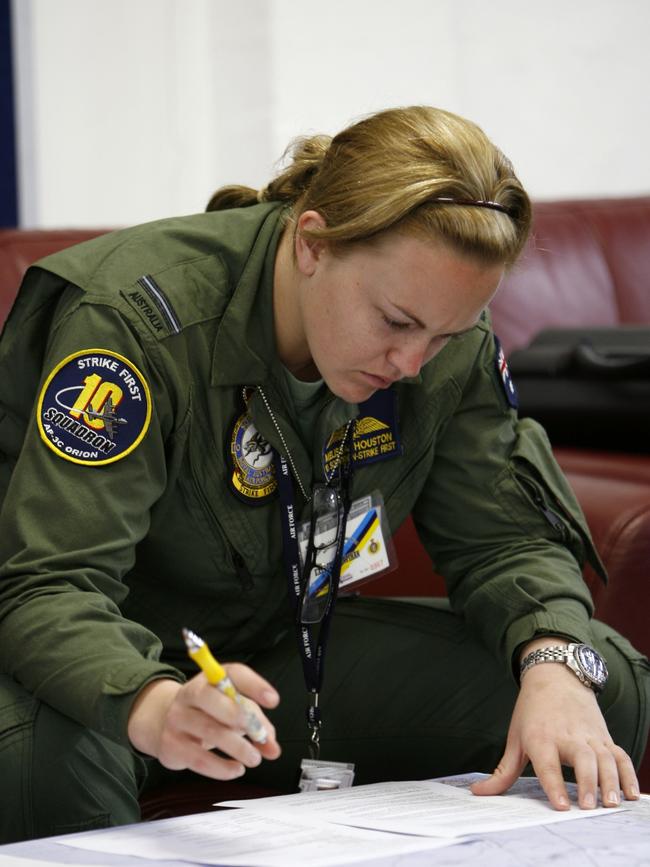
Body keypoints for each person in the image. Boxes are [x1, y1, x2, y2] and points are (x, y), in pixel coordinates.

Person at [0, 105, 648, 843]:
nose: (412, 363)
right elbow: (49, 586)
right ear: (311, 243)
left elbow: (502, 541)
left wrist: (551, 660)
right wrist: (151, 701)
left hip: (273, 661)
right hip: (90, 670)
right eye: (396, 322)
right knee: (44, 760)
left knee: (603, 690)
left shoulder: (443, 336)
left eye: (445, 335)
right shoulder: (131, 321)